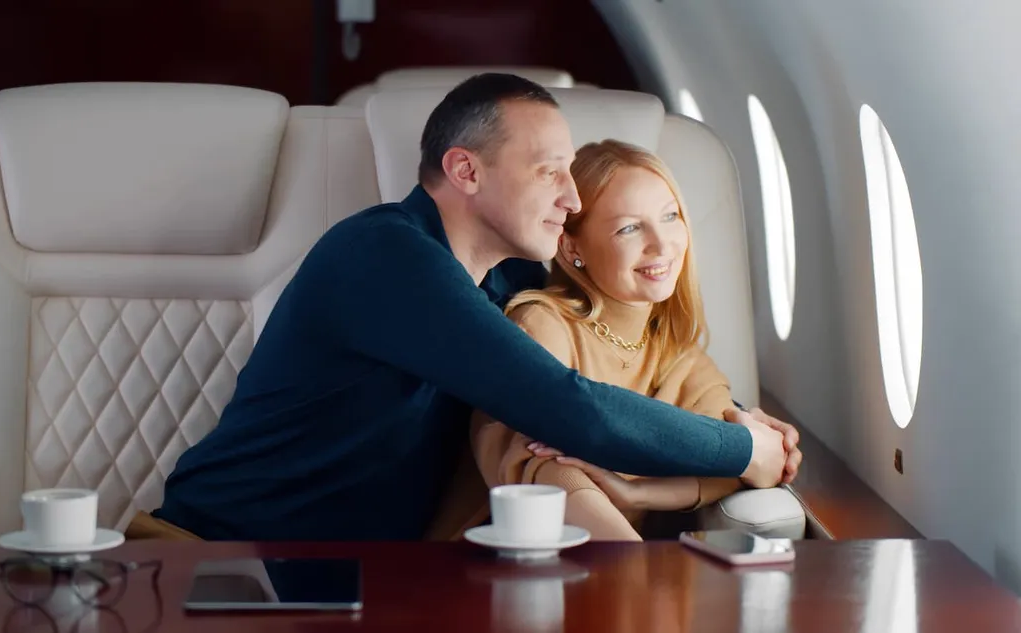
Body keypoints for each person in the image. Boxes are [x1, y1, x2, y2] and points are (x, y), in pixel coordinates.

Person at [147, 73, 799, 542]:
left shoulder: (502, 281)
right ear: (465, 171)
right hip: (217, 555)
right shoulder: (385, 256)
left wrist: (734, 412)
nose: (572, 197)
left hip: (351, 579)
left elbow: (620, 329)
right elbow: (573, 407)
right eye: (550, 171)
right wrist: (743, 447)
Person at [462, 140, 784, 540]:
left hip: (611, 570)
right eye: (629, 227)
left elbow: (755, 464)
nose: (662, 244)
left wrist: (640, 493)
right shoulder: (542, 323)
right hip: (512, 552)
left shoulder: (679, 352)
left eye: (670, 216)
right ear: (570, 246)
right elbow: (537, 467)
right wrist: (634, 566)